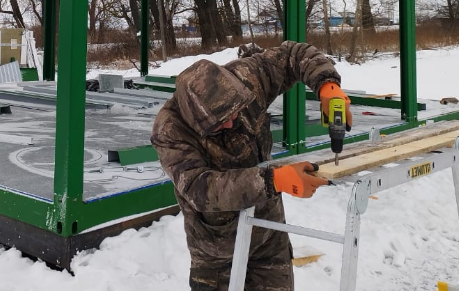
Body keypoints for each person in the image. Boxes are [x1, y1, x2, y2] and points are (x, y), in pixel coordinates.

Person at [150, 41, 354, 291]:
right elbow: (199, 188)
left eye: (235, 111)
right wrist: (273, 181)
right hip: (218, 249)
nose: (232, 122)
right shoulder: (171, 130)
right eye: (219, 123)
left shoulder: (246, 77)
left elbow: (293, 54)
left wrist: (327, 86)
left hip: (269, 233)